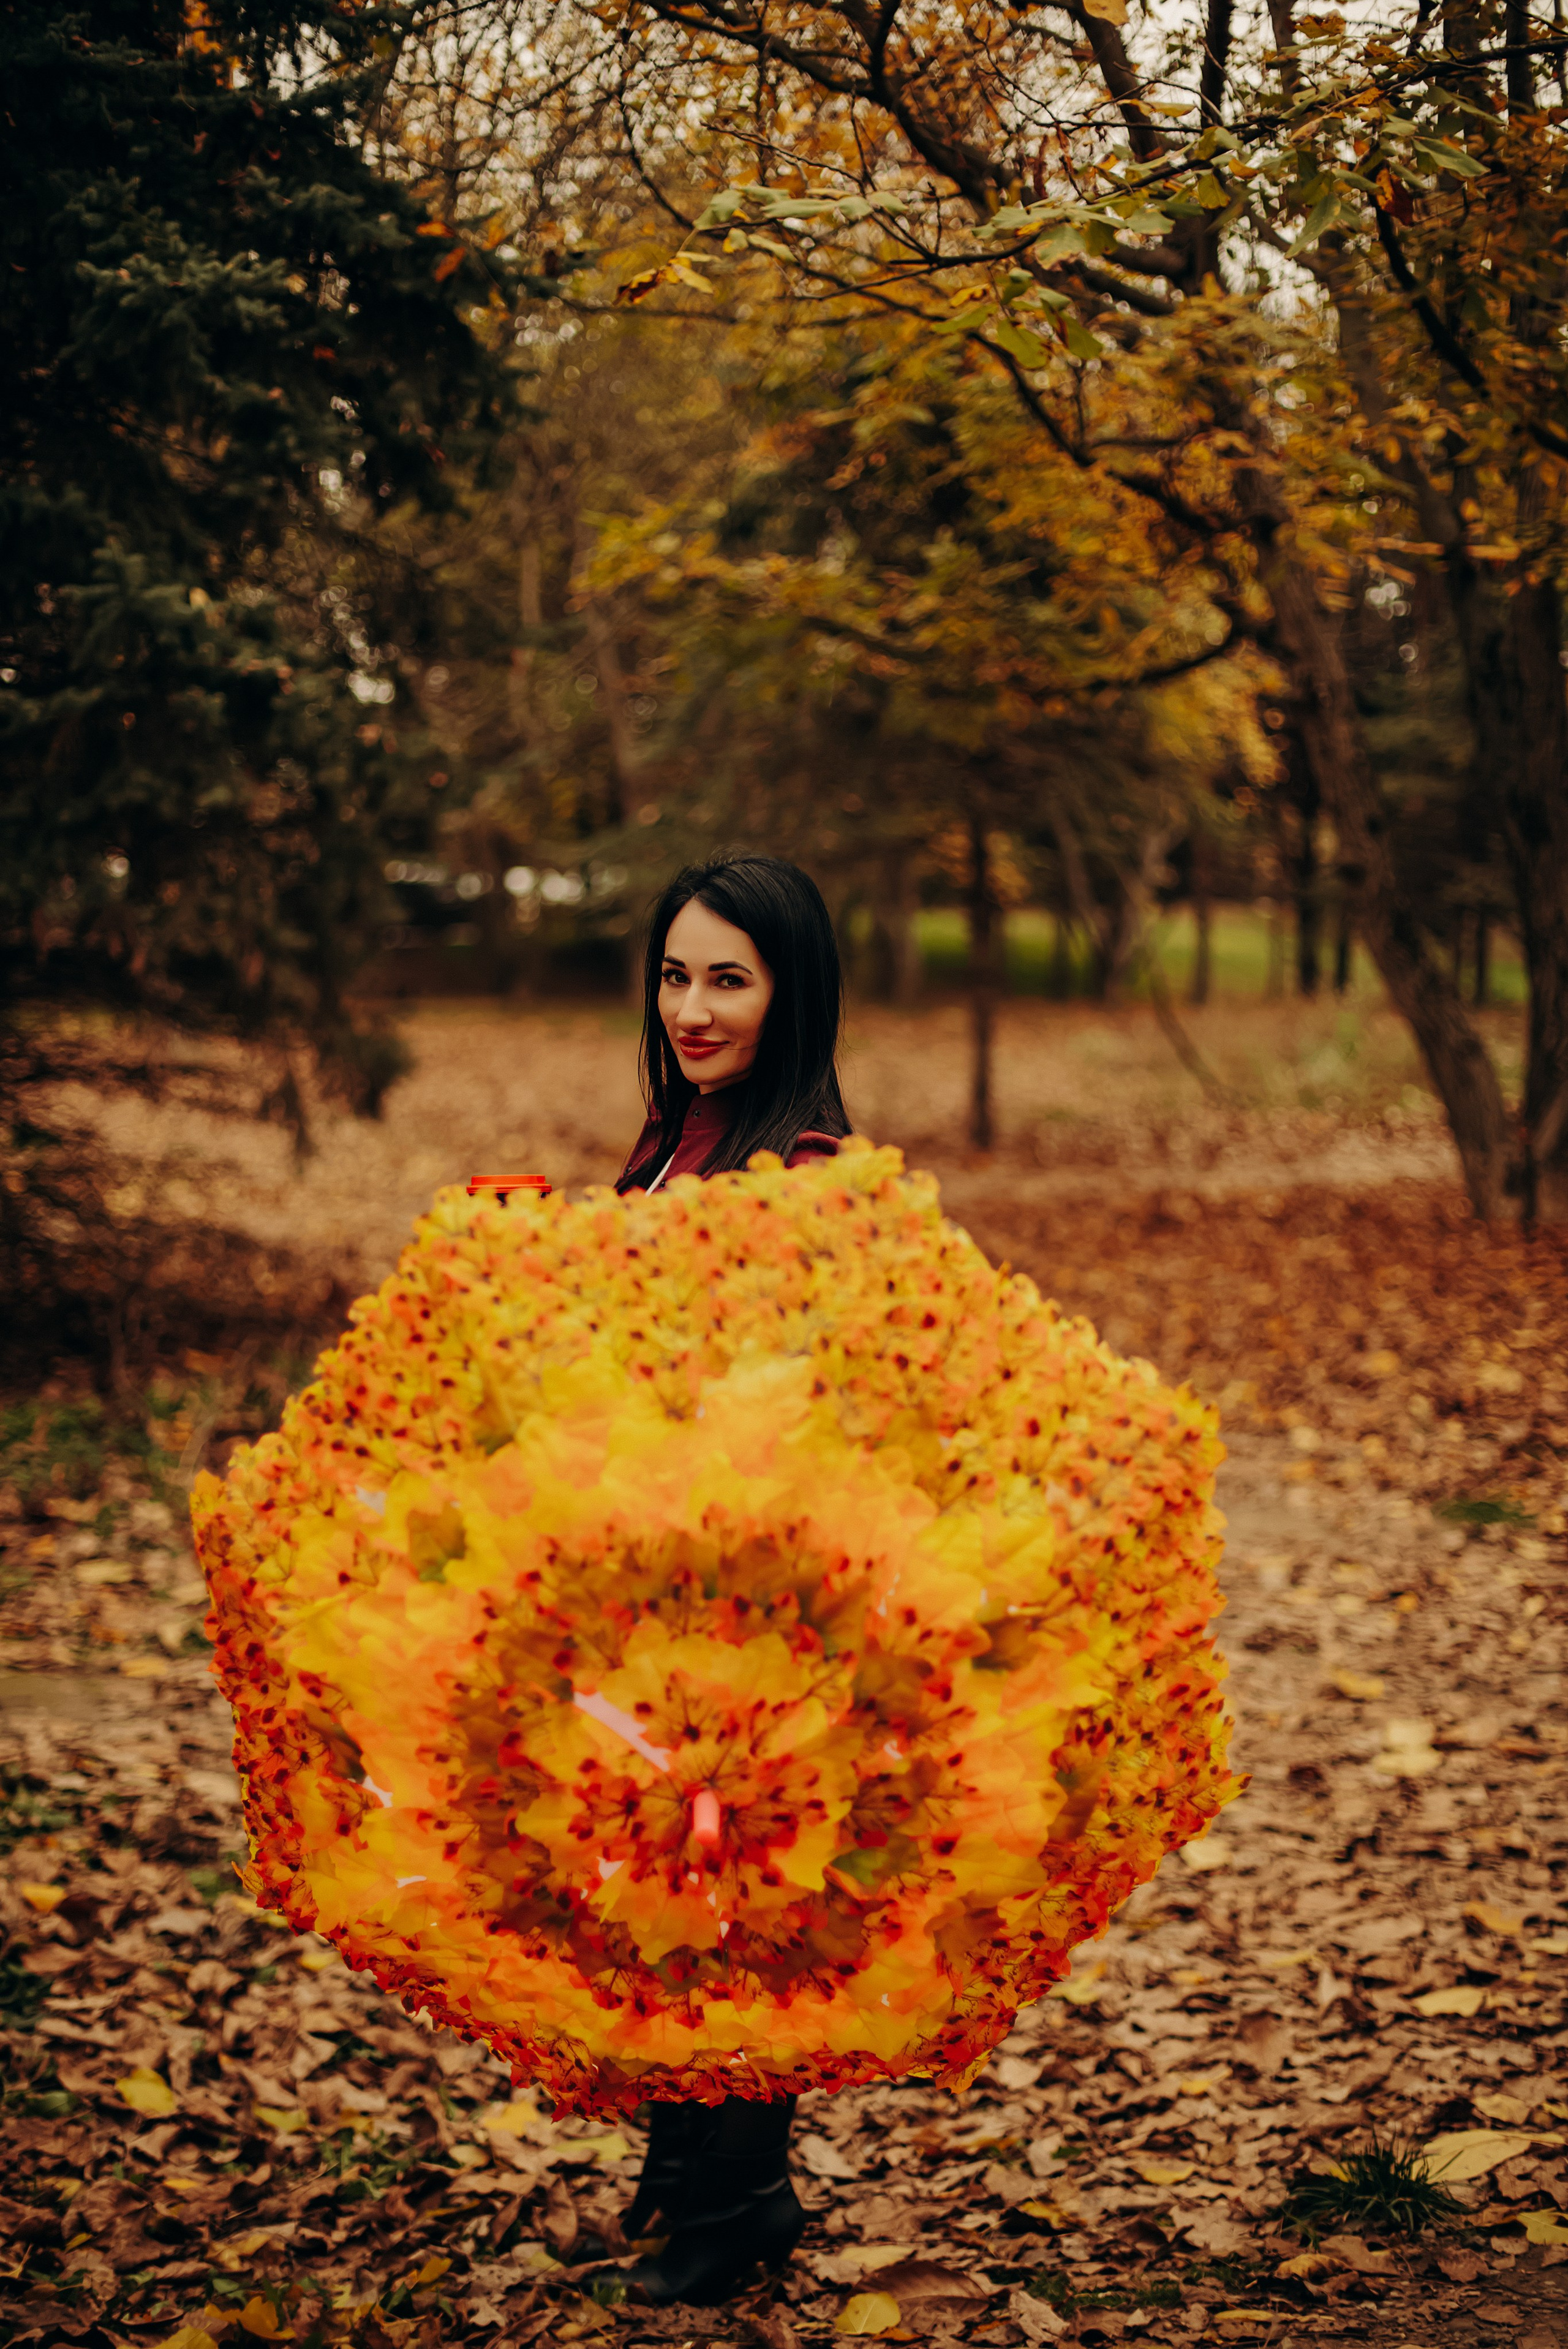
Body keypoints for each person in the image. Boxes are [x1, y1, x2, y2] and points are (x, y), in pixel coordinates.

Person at [612, 853, 853, 2308]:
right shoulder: (672, 1133)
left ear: (789, 991)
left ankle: (743, 2193)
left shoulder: (807, 1168)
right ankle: (682, 2150)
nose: (693, 1007)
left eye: (728, 979)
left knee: (728, 1895)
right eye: (675, 975)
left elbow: (791, 1393)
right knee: (652, 1876)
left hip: (747, 1590)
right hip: (650, 1575)